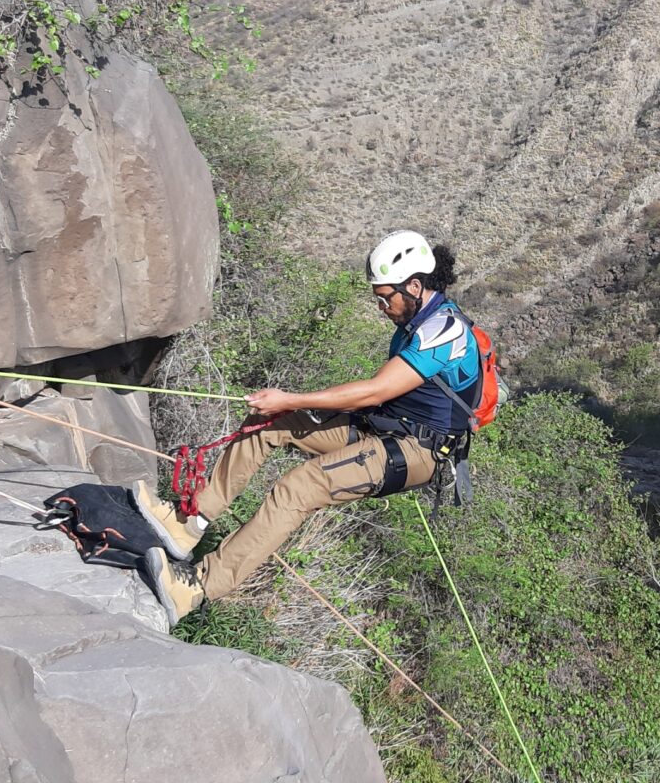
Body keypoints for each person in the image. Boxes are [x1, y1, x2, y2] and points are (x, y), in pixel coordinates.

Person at [136, 230, 481, 626]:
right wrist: (285, 407)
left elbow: (373, 392)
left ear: (415, 286)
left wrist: (291, 398)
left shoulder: (444, 329)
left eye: (386, 296)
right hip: (385, 429)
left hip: (418, 450)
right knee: (270, 423)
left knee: (297, 489)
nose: (381, 306)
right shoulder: (417, 319)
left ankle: (194, 588)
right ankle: (189, 522)